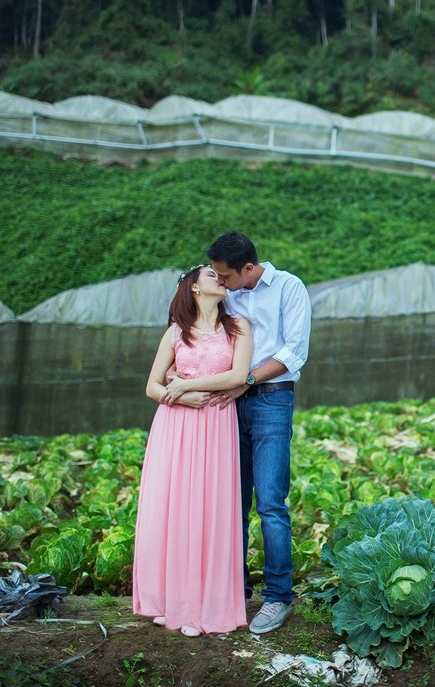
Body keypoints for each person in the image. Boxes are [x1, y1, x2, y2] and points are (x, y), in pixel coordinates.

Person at [132, 264, 254, 637]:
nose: (220, 277)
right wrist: (182, 398)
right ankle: (171, 601)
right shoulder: (175, 333)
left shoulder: (238, 328)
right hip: (176, 426)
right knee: (175, 509)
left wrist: (185, 384)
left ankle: (207, 606)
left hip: (217, 427)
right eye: (211, 275)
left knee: (210, 509)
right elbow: (153, 386)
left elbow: (237, 377)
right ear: (195, 288)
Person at [205, 232, 311, 635]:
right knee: (232, 500)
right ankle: (235, 591)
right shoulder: (225, 291)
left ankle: (279, 596)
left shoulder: (288, 287)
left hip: (271, 400)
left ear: (248, 268)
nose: (222, 282)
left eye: (226, 275)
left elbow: (294, 351)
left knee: (270, 501)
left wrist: (246, 380)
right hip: (229, 401)